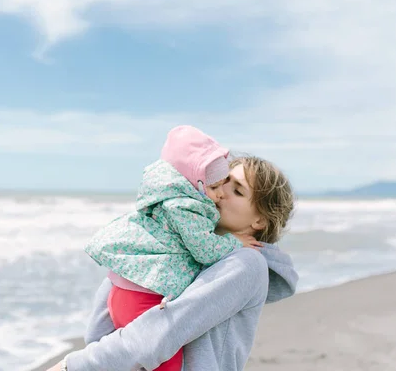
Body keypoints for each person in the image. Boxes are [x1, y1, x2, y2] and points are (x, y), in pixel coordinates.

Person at [47, 154, 298, 371]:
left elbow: (167, 327)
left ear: (260, 221)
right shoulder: (187, 243)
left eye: (238, 190)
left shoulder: (246, 263)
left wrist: (75, 365)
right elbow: (111, 302)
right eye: (223, 181)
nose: (221, 193)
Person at [83, 125, 261, 370]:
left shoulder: (167, 201)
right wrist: (235, 242)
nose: (220, 195)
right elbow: (206, 251)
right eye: (216, 186)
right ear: (194, 183)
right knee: (167, 364)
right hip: (144, 298)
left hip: (125, 294)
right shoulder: (187, 209)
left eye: (232, 188)